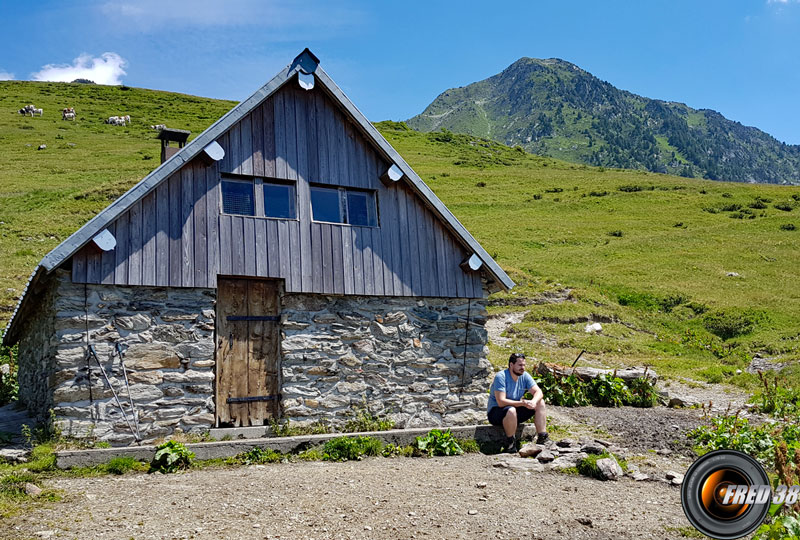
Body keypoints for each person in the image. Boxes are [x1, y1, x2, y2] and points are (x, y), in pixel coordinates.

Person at [487, 353, 548, 453]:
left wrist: (533, 401)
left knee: (540, 402)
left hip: (514, 410)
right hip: (496, 412)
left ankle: (542, 437)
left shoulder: (524, 376)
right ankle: (510, 443)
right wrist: (522, 403)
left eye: (524, 365)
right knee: (511, 410)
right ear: (511, 365)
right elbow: (501, 402)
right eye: (520, 365)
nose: (523, 368)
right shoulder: (501, 377)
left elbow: (538, 392)